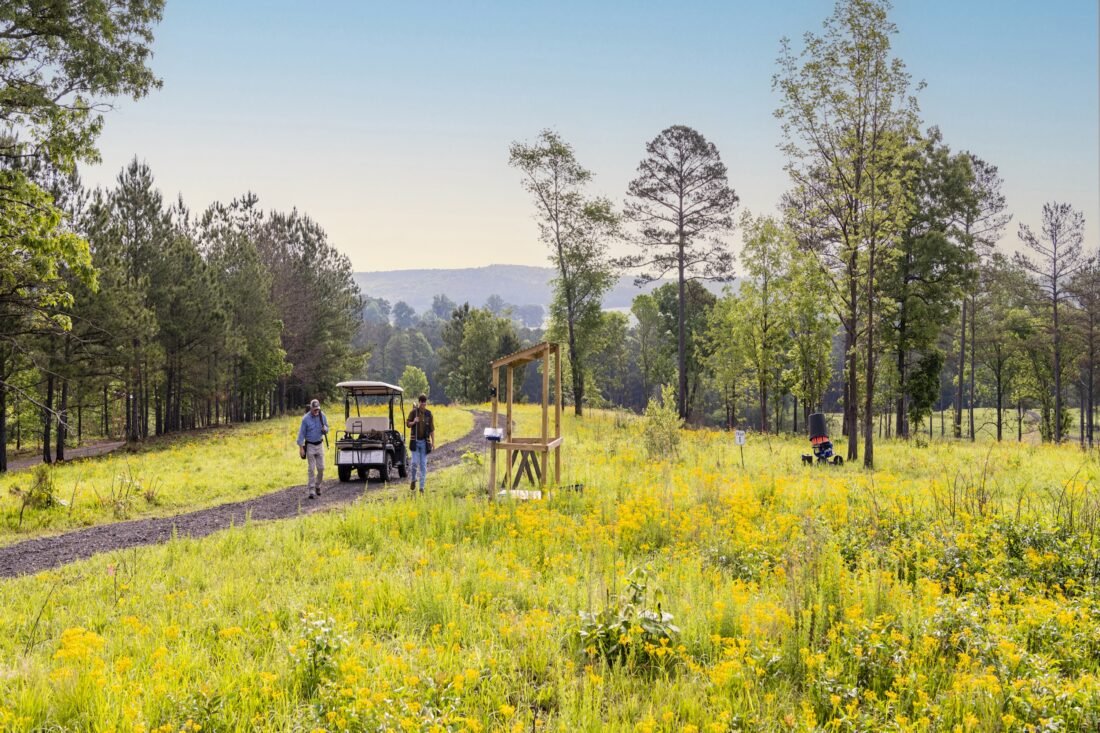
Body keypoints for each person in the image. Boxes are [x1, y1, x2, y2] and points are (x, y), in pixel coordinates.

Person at [296, 399, 329, 499]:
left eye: (318, 409)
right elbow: (301, 434)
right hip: (310, 446)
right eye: (314, 410)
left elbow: (327, 427)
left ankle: (318, 485)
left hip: (320, 445)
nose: (316, 411)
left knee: (321, 468)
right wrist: (301, 448)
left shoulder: (322, 415)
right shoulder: (305, 419)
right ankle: (311, 490)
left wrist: (325, 429)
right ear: (311, 408)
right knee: (311, 468)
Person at [405, 393, 434, 493]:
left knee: (423, 465)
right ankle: (413, 479)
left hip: (424, 443)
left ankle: (421, 487)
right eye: (422, 403)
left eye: (425, 403)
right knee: (413, 463)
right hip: (415, 442)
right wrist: (414, 421)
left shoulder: (429, 414)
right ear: (419, 403)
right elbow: (407, 424)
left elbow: (432, 429)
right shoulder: (413, 412)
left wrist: (433, 443)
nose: (423, 405)